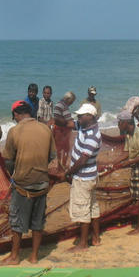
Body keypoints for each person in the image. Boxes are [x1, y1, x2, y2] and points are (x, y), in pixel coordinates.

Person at [0, 101, 56, 266]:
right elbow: (52, 156)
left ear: (16, 115)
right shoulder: (45, 129)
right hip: (42, 182)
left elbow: (8, 160)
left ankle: (15, 256)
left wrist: (12, 174)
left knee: (16, 221)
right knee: (38, 222)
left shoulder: (14, 131)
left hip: (22, 184)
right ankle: (34, 256)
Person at [60, 103, 102, 251]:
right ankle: (96, 238)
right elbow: (69, 123)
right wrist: (58, 114)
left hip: (84, 177)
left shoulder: (93, 135)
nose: (78, 117)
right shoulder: (83, 126)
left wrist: (68, 172)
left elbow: (83, 160)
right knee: (92, 207)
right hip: (90, 177)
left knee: (83, 209)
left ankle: (83, 243)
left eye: (81, 115)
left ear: (89, 116)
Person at [115, 110, 139, 233]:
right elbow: (127, 153)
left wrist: (127, 163)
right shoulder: (129, 135)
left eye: (120, 122)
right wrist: (116, 163)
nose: (118, 125)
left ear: (126, 123)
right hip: (136, 166)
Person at [52, 91, 76, 168]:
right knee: (64, 149)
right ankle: (62, 166)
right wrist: (69, 123)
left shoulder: (59, 104)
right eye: (71, 101)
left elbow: (58, 118)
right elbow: (67, 121)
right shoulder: (63, 106)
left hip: (59, 129)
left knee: (60, 149)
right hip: (61, 130)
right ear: (68, 99)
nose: (71, 103)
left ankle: (61, 166)